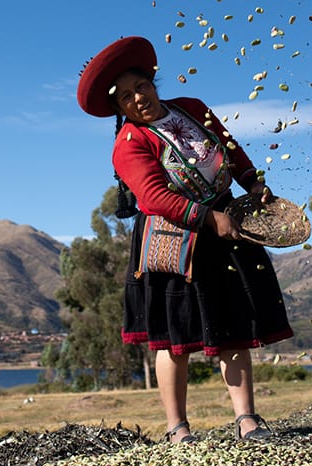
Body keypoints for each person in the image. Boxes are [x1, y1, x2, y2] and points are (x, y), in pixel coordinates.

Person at [78, 35, 294, 443]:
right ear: (119, 109)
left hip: (225, 226)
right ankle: (177, 428)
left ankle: (247, 420)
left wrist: (251, 183)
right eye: (126, 97)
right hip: (175, 240)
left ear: (152, 83)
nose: (138, 98)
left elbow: (229, 148)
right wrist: (208, 218)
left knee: (233, 324)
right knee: (174, 339)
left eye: (141, 86)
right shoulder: (129, 144)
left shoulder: (192, 108)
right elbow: (154, 197)